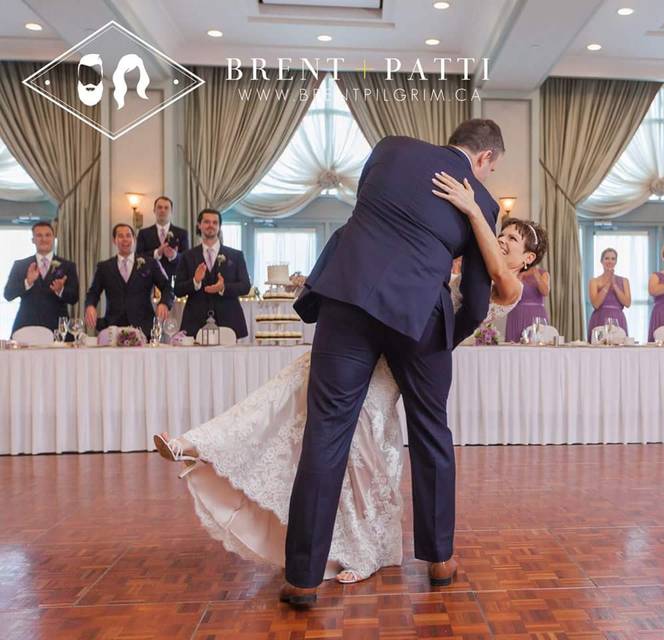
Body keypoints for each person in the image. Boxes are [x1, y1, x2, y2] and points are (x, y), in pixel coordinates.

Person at [153, 187, 545, 591]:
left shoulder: (506, 286)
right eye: (504, 234)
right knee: (290, 393)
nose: (502, 240)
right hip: (376, 339)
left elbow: (487, 284)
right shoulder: (472, 263)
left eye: (512, 240)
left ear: (527, 259)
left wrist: (473, 211)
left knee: (363, 442)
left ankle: (365, 549)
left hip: (409, 361)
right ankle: (202, 444)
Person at [84, 223, 174, 337]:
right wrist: (90, 306)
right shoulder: (104, 267)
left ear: (134, 239)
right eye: (120, 236)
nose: (125, 239)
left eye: (128, 235)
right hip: (113, 329)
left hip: (144, 329)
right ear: (114, 240)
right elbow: (93, 292)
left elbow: (167, 287)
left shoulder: (150, 263)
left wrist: (164, 303)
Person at [173, 208, 251, 339]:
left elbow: (245, 286)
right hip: (195, 322)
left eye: (215, 222)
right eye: (207, 222)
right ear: (199, 225)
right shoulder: (187, 256)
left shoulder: (236, 255)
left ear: (220, 226)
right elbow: (178, 290)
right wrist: (195, 282)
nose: (211, 225)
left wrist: (223, 287)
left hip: (229, 320)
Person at [3, 221, 79, 337]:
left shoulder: (67, 266)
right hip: (26, 327)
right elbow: (8, 295)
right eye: (39, 235)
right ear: (33, 240)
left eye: (48, 235)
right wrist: (27, 282)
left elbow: (74, 298)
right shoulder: (21, 265)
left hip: (58, 329)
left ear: (53, 238)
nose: (44, 239)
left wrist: (61, 290)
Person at [136, 196, 189, 278]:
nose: (162, 210)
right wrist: (157, 253)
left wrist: (174, 255)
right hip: (150, 278)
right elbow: (139, 256)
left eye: (166, 208)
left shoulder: (181, 233)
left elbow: (186, 258)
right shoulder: (144, 233)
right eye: (159, 207)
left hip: (173, 278)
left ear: (171, 211)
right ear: (154, 210)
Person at [587, 248, 630, 341]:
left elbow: (627, 303)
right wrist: (607, 285)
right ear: (601, 261)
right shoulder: (594, 281)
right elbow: (596, 304)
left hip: (618, 318)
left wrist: (614, 285)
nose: (610, 261)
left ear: (616, 261)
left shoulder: (624, 281)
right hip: (599, 318)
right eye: (606, 258)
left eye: (613, 258)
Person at [504, 259, 549, 343]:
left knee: (537, 346)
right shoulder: (514, 273)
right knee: (513, 347)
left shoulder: (543, 273)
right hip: (516, 315)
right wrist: (520, 276)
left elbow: (545, 292)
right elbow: (508, 295)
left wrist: (536, 275)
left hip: (536, 316)